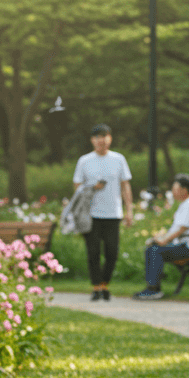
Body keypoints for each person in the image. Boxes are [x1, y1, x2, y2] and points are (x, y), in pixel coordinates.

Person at [72, 123, 133, 301]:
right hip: (90, 214)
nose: (101, 140)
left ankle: (105, 283)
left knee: (112, 252)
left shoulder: (119, 159)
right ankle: (96, 286)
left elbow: (125, 185)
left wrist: (129, 210)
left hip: (113, 213)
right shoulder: (84, 161)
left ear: (110, 139)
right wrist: (92, 187)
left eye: (105, 136)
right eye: (98, 137)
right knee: (93, 252)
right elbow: (77, 186)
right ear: (92, 140)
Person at [134, 173, 189, 301]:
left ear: (184, 190)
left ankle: (153, 290)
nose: (172, 192)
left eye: (175, 189)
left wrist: (164, 240)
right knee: (153, 248)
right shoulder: (187, 203)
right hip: (185, 246)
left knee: (154, 251)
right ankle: (153, 286)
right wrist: (160, 238)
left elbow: (181, 229)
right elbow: (176, 229)